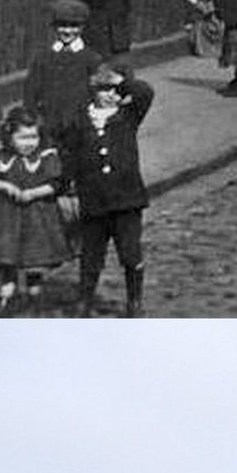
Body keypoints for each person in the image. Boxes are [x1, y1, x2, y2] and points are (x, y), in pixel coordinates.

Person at [73, 60, 154, 317]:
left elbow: (145, 92)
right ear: (93, 90)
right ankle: (85, 299)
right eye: (103, 89)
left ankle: (134, 300)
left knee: (130, 253)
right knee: (91, 254)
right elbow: (70, 156)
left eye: (114, 90)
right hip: (93, 200)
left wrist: (123, 82)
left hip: (126, 200)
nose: (109, 95)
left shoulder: (128, 117)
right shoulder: (81, 120)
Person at [0, 105, 71, 316]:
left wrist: (34, 193)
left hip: (38, 218)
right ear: (9, 137)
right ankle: (7, 300)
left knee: (34, 260)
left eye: (33, 137)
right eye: (22, 138)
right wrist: (5, 186)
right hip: (7, 218)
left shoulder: (46, 157)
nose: (29, 143)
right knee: (7, 259)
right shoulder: (0, 158)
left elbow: (57, 185)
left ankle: (34, 300)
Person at [23, 0, 101, 176]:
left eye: (74, 26)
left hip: (79, 123)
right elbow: (31, 89)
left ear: (82, 28)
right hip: (49, 121)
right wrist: (34, 115)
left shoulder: (91, 58)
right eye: (62, 26)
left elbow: (96, 91)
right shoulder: (44, 56)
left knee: (79, 163)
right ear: (54, 27)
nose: (67, 31)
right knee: (51, 165)